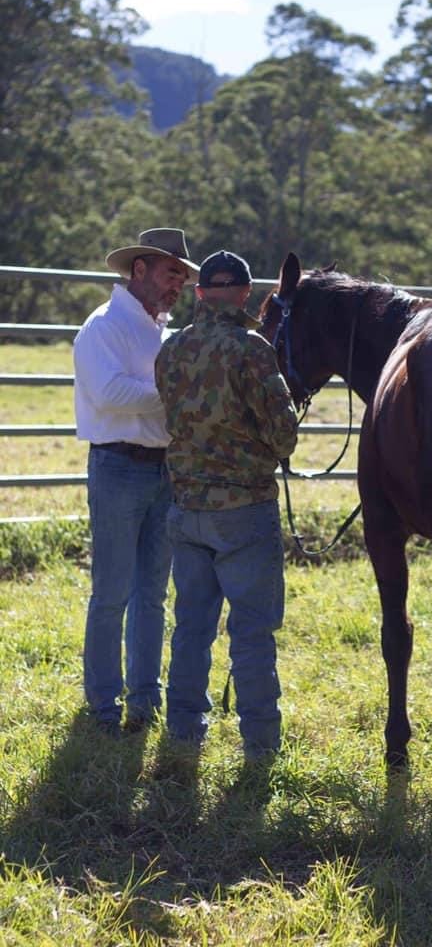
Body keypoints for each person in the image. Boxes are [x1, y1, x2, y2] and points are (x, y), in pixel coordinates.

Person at [155, 249, 298, 760]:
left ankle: (183, 734)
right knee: (252, 632)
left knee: (191, 626)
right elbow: (285, 437)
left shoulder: (171, 350)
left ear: (198, 294)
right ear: (244, 294)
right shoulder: (253, 349)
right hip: (244, 510)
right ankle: (260, 746)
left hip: (186, 506)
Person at [73, 228, 198, 736]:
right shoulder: (103, 327)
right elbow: (109, 394)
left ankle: (144, 698)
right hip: (120, 468)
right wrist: (174, 392)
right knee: (113, 593)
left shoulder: (163, 333)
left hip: (160, 469)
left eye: (184, 279)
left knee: (150, 593)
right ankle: (105, 704)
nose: (179, 287)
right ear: (140, 269)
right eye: (173, 275)